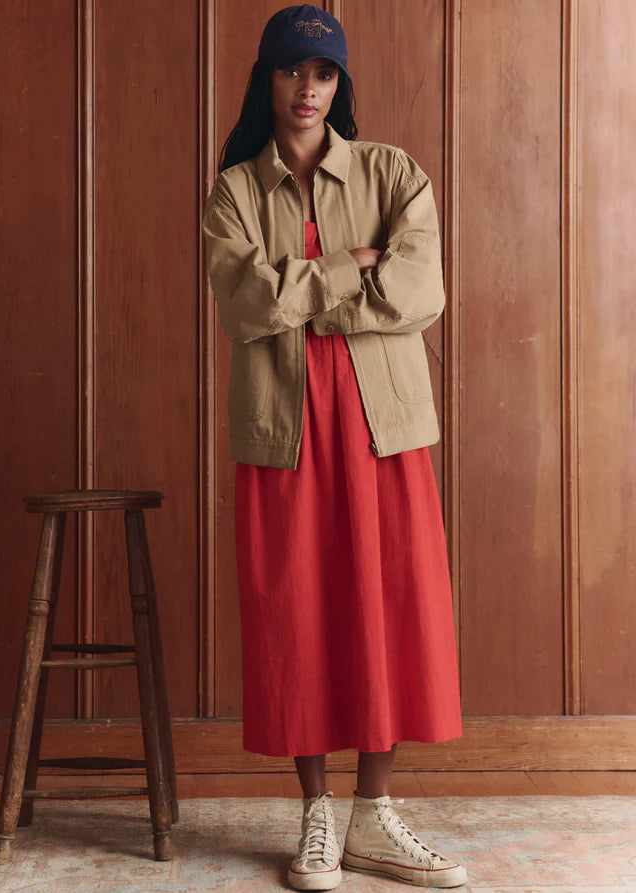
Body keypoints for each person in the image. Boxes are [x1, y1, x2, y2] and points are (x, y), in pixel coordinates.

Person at [202, 5, 468, 889]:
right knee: (298, 611)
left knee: (388, 605)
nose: (307, 89)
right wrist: (357, 263)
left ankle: (374, 817)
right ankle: (317, 815)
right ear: (266, 81)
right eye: (290, 72)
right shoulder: (236, 189)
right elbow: (243, 305)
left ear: (340, 84)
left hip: (381, 424)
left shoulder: (395, 173)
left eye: (322, 74)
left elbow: (420, 290)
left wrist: (301, 288)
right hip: (283, 427)